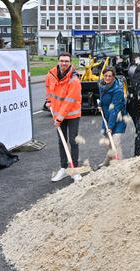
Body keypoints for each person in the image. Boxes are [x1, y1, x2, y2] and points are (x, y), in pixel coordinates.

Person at [45, 52, 82, 182]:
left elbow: (70, 100)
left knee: (73, 141)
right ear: (58, 61)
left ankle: (75, 170)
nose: (64, 63)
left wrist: (59, 118)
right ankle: (63, 168)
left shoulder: (74, 79)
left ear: (70, 62)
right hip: (57, 113)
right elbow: (49, 88)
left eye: (66, 61)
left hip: (72, 114)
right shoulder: (51, 74)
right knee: (62, 141)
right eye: (62, 60)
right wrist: (48, 100)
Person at [98, 66, 127, 166]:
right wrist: (100, 105)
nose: (107, 78)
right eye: (106, 76)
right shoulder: (102, 85)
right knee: (109, 142)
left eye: (110, 76)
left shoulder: (117, 90)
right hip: (107, 117)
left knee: (115, 142)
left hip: (118, 118)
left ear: (114, 77)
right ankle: (107, 161)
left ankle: (119, 165)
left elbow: (114, 109)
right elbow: (102, 99)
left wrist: (110, 127)